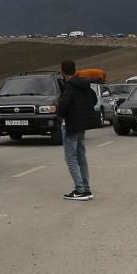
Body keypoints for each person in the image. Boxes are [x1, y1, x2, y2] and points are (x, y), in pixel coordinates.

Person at [56, 60, 101, 200]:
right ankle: (86, 188)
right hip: (82, 125)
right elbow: (93, 99)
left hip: (72, 125)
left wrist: (60, 113)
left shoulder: (69, 86)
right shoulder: (84, 85)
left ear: (63, 71)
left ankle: (80, 190)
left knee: (71, 158)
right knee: (81, 156)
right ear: (75, 70)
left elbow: (63, 105)